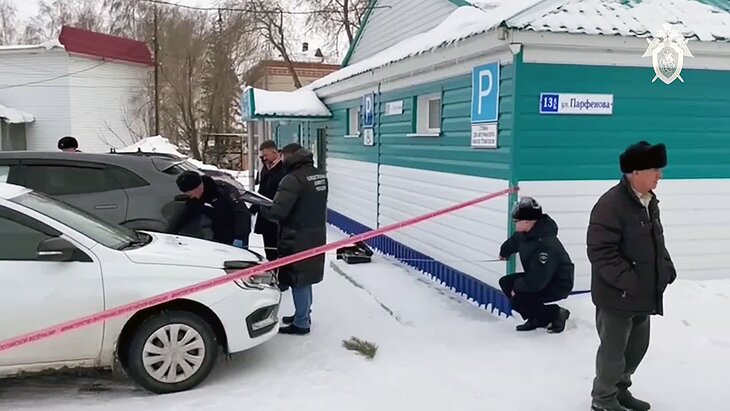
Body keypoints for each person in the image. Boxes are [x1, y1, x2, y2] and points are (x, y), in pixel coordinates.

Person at [586, 141, 677, 411]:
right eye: (655, 170)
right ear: (636, 172)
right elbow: (601, 252)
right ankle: (603, 400)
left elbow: (655, 241)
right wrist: (631, 282)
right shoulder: (610, 205)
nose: (660, 176)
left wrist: (666, 267)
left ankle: (620, 390)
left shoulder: (648, 201)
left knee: (636, 349)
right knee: (613, 353)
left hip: (642, 294)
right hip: (618, 295)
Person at [259, 143, 328, 335]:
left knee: (299, 280)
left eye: (283, 156)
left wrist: (263, 207)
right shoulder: (319, 174)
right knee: (306, 278)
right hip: (315, 233)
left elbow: (278, 212)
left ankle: (301, 323)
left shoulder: (292, 179)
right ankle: (303, 314)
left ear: (289, 156)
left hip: (296, 236)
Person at [498, 196, 575, 333]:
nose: (515, 224)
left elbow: (537, 281)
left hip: (558, 283)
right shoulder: (526, 233)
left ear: (527, 221)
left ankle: (556, 313)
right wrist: (504, 253)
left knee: (518, 298)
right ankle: (537, 318)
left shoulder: (545, 246)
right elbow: (514, 242)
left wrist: (516, 288)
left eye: (516, 221)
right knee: (506, 283)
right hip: (540, 277)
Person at [168, 170, 250, 246]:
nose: (191, 197)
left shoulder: (224, 191)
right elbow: (184, 216)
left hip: (237, 231)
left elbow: (242, 213)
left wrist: (240, 237)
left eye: (190, 194)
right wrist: (170, 233)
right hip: (219, 233)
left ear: (198, 187)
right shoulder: (195, 198)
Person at [249, 140, 286, 261]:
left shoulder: (284, 168)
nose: (264, 158)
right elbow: (263, 189)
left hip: (278, 213)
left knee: (279, 247)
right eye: (262, 156)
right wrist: (254, 206)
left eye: (266, 155)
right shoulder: (266, 167)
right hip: (265, 212)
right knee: (269, 247)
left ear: (274, 152)